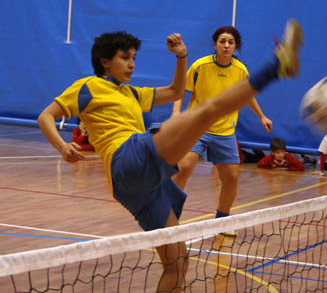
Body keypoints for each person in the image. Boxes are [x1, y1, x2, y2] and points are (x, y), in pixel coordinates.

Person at [38, 18, 303, 292]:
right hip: (127, 158)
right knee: (205, 112)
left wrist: (181, 57)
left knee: (177, 262)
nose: (132, 64)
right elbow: (46, 115)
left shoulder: (132, 93)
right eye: (125, 58)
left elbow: (177, 91)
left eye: (134, 58)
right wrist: (61, 146)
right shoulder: (87, 86)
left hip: (135, 188)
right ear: (105, 61)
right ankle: (277, 66)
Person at [170, 26, 273, 235]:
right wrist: (176, 112)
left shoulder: (240, 70)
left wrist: (261, 115)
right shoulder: (200, 66)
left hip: (225, 131)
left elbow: (247, 94)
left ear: (235, 46)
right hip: (197, 126)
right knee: (184, 167)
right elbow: (181, 89)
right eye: (222, 41)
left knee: (231, 178)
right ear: (215, 44)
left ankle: (222, 221)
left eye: (230, 42)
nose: (226, 46)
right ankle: (169, 218)